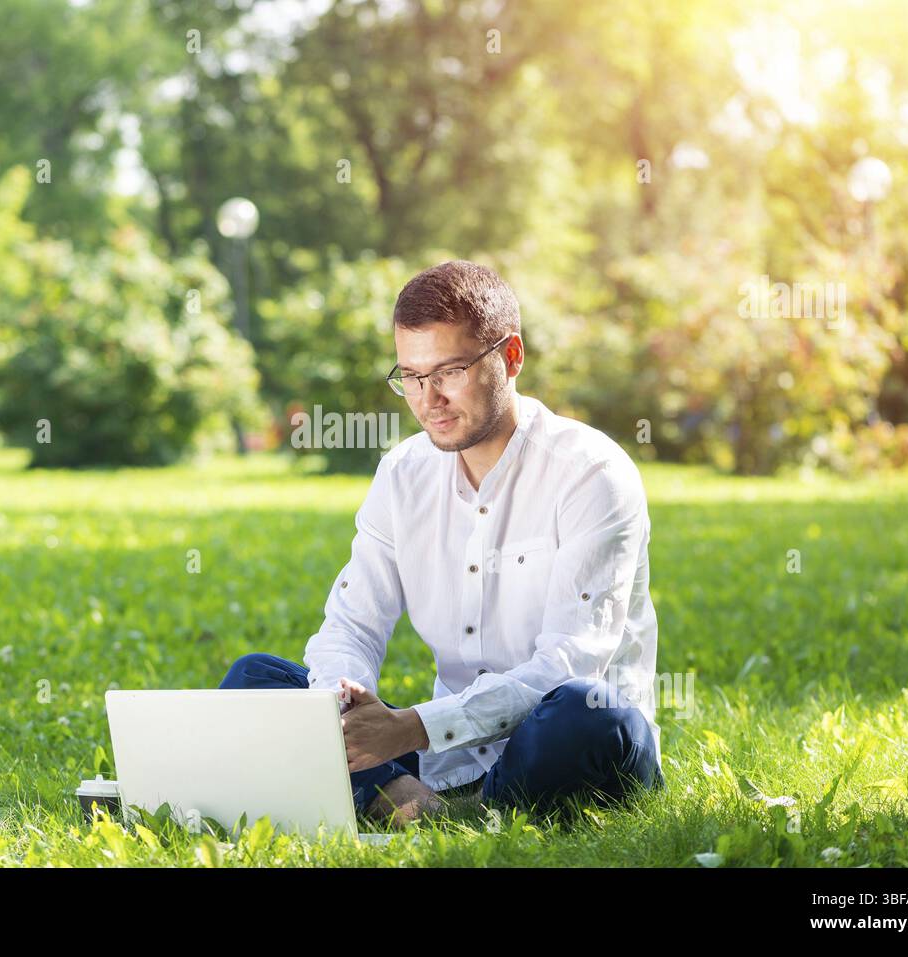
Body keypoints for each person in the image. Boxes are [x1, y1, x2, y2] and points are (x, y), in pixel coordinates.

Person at [220, 260, 665, 828]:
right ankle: (436, 810)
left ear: (511, 358)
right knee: (255, 680)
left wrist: (413, 727)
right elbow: (351, 625)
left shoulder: (590, 472)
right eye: (410, 375)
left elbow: (566, 663)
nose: (429, 398)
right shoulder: (404, 473)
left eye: (449, 370)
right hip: (447, 759)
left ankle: (420, 810)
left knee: (586, 710)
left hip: (570, 742)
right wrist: (338, 702)